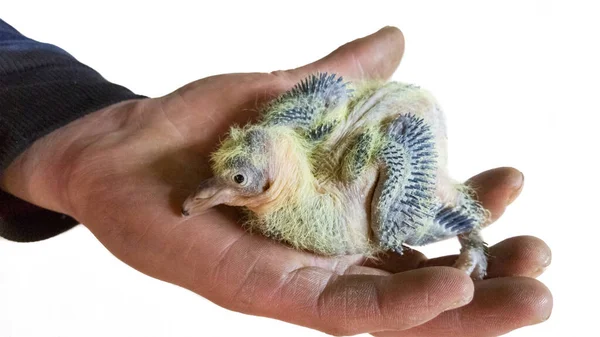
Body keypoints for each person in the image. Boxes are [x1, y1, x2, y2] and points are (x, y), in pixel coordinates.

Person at [0, 18, 552, 336]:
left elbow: (385, 132)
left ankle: (474, 239)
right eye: (226, 180)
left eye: (235, 180)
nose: (207, 197)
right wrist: (79, 140)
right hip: (329, 138)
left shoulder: (367, 197)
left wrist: (468, 236)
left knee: (392, 219)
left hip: (395, 132)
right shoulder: (280, 138)